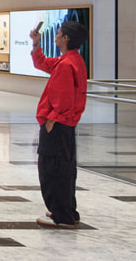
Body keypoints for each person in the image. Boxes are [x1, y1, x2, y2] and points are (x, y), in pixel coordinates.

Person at [32, 20, 89, 229]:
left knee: (51, 169)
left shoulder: (66, 64)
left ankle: (61, 215)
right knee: (65, 167)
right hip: (64, 124)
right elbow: (43, 64)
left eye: (58, 34)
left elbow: (63, 98)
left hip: (57, 124)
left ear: (66, 38)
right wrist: (36, 45)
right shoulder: (72, 59)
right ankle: (66, 209)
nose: (55, 37)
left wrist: (52, 119)